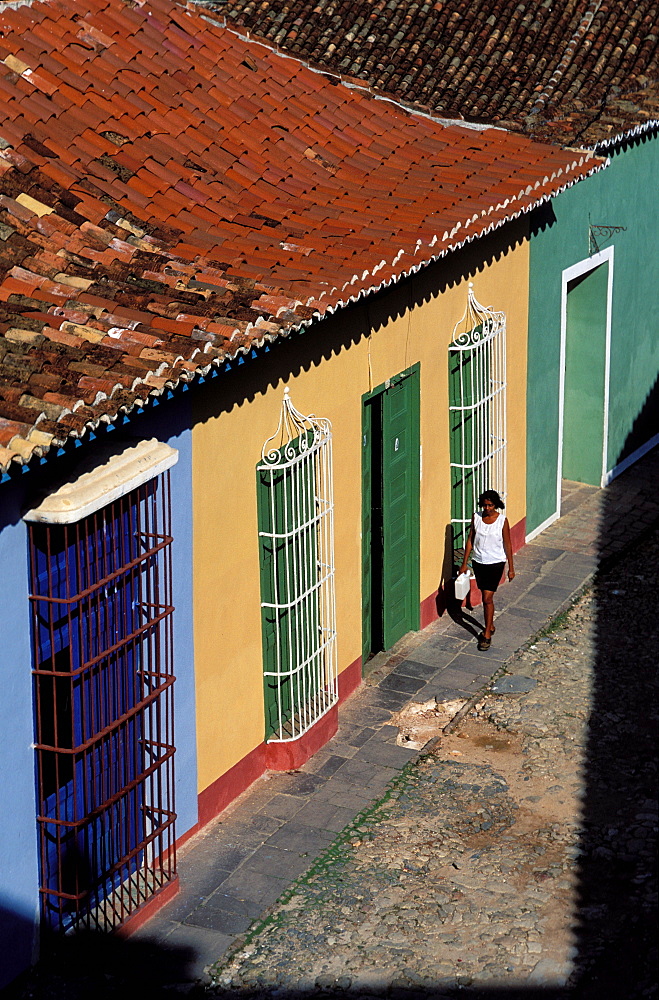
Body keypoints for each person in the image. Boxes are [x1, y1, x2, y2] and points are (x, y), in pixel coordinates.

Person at [459, 489, 515, 650]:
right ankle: (490, 625)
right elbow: (471, 539)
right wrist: (465, 563)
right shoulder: (476, 517)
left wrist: (511, 568)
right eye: (484, 505)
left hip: (496, 563)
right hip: (479, 562)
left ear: (496, 505)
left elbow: (508, 544)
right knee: (486, 596)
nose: (487, 508)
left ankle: (486, 634)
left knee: (486, 598)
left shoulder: (502, 521)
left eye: (490, 505)